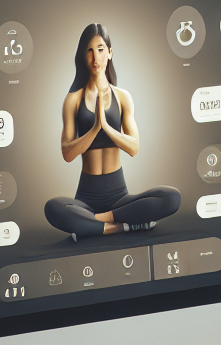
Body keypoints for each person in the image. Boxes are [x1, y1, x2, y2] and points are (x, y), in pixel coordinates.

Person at [44, 23, 181, 240]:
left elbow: (134, 147)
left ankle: (92, 224)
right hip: (85, 199)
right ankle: (121, 226)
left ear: (110, 53)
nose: (95, 56)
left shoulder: (123, 97)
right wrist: (95, 129)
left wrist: (107, 129)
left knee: (172, 197)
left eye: (100, 49)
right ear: (83, 55)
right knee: (53, 208)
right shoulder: (73, 100)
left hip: (119, 198)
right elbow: (67, 154)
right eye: (89, 50)